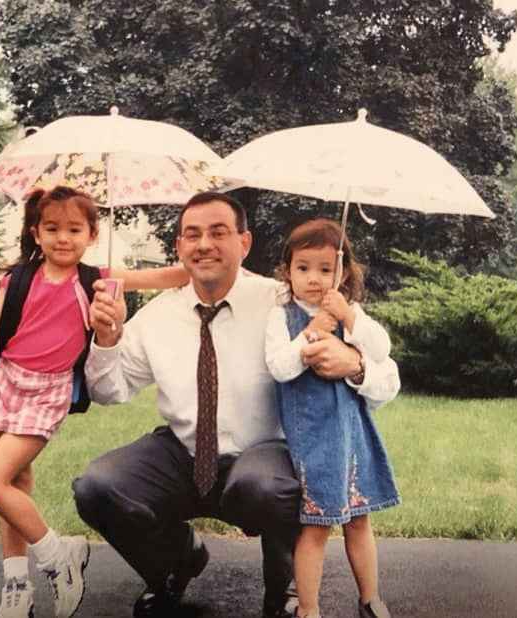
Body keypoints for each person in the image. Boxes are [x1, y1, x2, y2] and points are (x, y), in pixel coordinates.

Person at [74, 191, 400, 618]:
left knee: (266, 486)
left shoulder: (284, 301)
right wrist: (108, 338)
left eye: (218, 232)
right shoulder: (157, 316)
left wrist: (355, 364)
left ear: (244, 243)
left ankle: (284, 588)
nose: (204, 244)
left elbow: (388, 378)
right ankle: (174, 561)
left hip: (264, 457)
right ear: (179, 247)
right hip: (184, 452)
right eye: (192, 235)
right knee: (96, 486)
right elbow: (107, 391)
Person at [0, 185, 188, 618]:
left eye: (74, 229)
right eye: (52, 228)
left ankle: (57, 555)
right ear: (36, 232)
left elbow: (163, 277)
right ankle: (16, 585)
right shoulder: (18, 279)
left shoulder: (95, 280)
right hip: (5, 382)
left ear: (91, 234)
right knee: (12, 487)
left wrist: (203, 267)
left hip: (47, 393)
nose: (63, 238)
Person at [265, 218, 400, 618]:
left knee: (359, 520)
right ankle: (309, 609)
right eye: (303, 267)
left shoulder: (349, 311)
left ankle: (370, 598)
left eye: (326, 269)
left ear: (342, 273)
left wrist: (349, 318)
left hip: (353, 432)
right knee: (317, 525)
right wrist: (313, 330)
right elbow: (281, 368)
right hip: (314, 439)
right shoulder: (282, 316)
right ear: (288, 271)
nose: (314, 278)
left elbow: (381, 349)